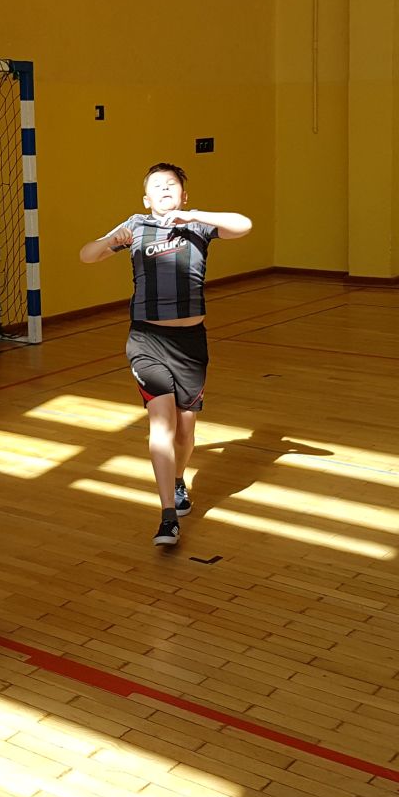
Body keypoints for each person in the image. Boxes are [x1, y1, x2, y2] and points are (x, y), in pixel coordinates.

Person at [79, 163, 252, 547]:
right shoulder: (136, 225)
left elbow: (244, 225)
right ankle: (167, 517)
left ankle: (177, 480)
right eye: (156, 186)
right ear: (146, 198)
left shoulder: (198, 224)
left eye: (171, 185)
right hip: (147, 340)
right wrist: (110, 242)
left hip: (190, 344)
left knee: (185, 431)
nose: (164, 189)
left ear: (183, 195)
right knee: (162, 425)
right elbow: (87, 255)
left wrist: (194, 215)